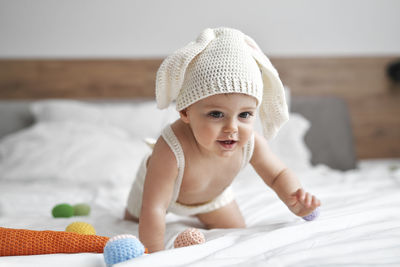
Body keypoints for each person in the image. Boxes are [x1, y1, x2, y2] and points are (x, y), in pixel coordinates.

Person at [124, 27, 321, 252]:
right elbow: (155, 207)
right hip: (157, 194)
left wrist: (294, 198)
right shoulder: (170, 148)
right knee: (132, 221)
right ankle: (130, 215)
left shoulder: (251, 143)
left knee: (237, 229)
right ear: (186, 112)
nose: (232, 128)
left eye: (245, 115)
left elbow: (278, 175)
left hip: (212, 199)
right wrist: (155, 255)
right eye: (216, 114)